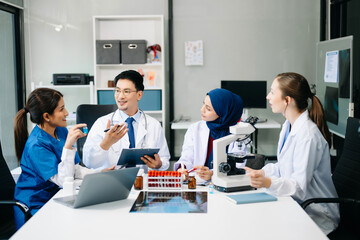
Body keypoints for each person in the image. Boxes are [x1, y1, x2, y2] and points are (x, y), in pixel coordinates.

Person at [245, 72, 339, 234]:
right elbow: (283, 166)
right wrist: (260, 172)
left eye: (273, 92)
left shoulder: (308, 136)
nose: (268, 97)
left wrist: (267, 182)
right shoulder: (288, 126)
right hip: (297, 204)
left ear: (287, 100)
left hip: (316, 213)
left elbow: (299, 188)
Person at [13, 88, 109, 229]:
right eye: (61, 109)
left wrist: (100, 174)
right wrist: (68, 145)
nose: (67, 113)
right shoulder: (37, 145)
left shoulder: (60, 130)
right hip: (37, 206)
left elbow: (74, 170)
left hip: (57, 196)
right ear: (47, 116)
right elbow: (64, 181)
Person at [83, 70, 170, 171]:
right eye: (118, 91)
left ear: (139, 95)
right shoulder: (101, 123)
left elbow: (165, 159)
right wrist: (105, 144)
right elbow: (88, 162)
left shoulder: (154, 125)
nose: (120, 96)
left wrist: (159, 164)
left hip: (142, 183)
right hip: (112, 182)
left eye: (127, 91)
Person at [174, 88, 246, 182]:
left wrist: (213, 174)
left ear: (222, 113)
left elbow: (238, 165)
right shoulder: (195, 129)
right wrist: (182, 168)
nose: (202, 109)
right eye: (203, 104)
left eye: (208, 109)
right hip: (197, 184)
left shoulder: (238, 132)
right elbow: (186, 157)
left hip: (225, 184)